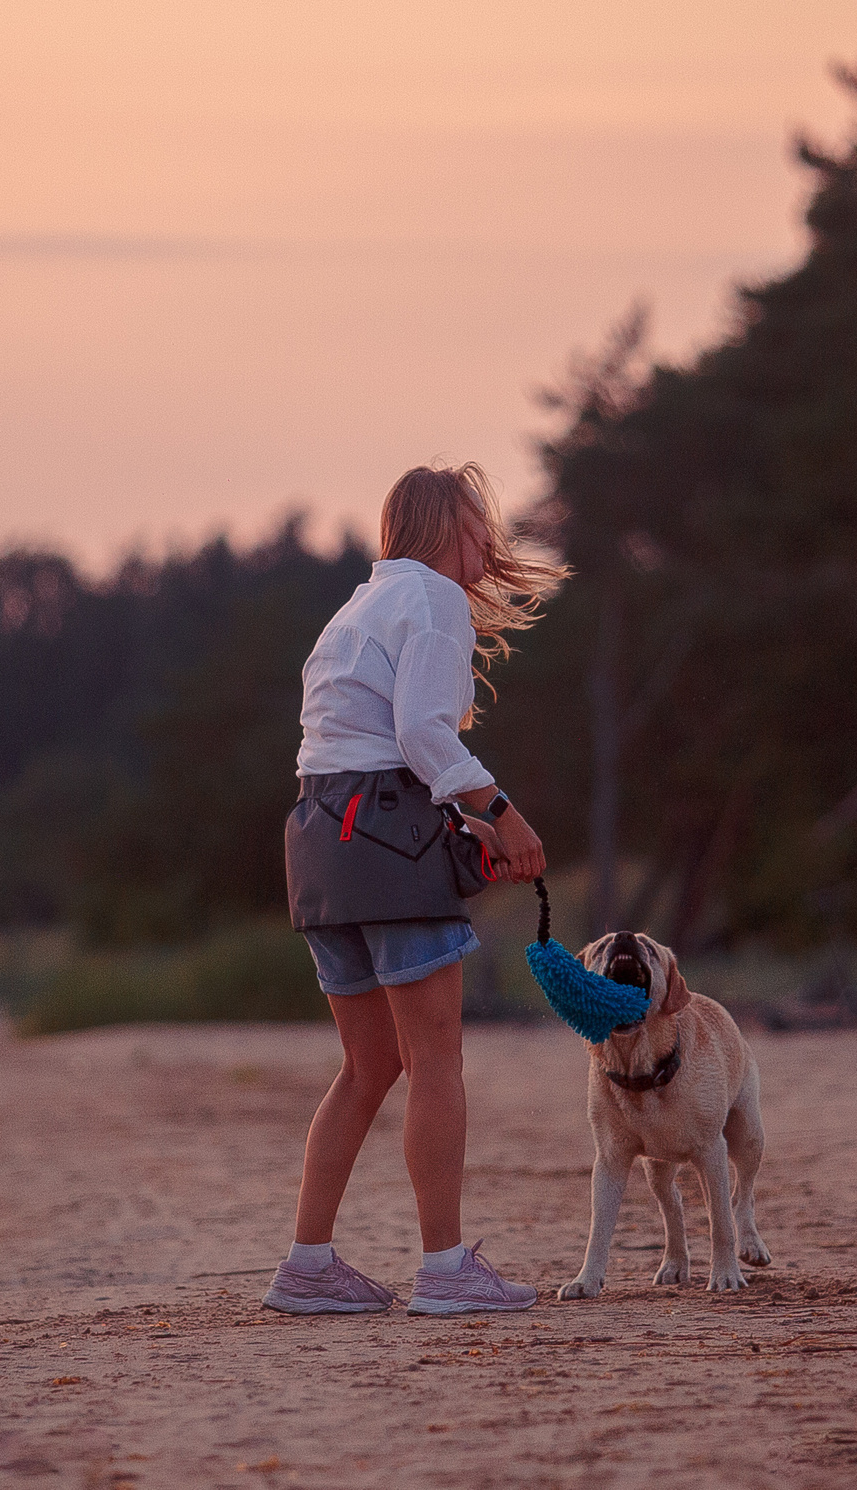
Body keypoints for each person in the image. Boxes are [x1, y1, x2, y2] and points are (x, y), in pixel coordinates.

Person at [262, 463, 563, 1316]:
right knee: (435, 1061)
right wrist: (501, 812)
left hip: (319, 840)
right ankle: (445, 1269)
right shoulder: (432, 598)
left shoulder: (356, 608)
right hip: (386, 837)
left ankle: (307, 1266)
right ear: (443, 527)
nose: (488, 541)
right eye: (477, 523)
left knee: (367, 1066)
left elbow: (361, 747)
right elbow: (422, 731)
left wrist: (458, 824)